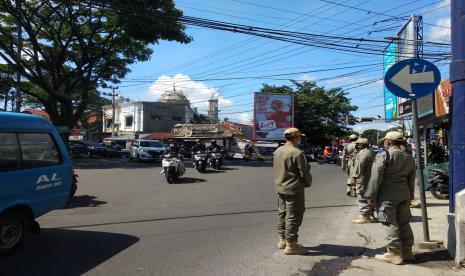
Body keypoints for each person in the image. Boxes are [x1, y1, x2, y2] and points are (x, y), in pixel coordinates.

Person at [364, 131, 416, 265]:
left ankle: (394, 253)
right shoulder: (408, 156)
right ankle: (407, 251)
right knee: (404, 222)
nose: (384, 143)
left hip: (388, 195)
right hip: (404, 193)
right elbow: (411, 178)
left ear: (388, 142)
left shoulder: (384, 154)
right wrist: (410, 196)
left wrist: (370, 195)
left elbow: (376, 177)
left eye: (385, 141)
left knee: (389, 222)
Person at [273, 127, 312, 255]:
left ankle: (282, 240)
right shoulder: (297, 153)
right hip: (293, 190)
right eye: (300, 136)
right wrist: (307, 183)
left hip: (280, 188)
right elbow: (304, 172)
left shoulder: (278, 151)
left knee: (282, 214)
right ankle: (291, 245)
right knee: (293, 216)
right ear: (297, 137)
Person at [351, 138, 375, 224]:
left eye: (357, 144)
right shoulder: (371, 152)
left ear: (360, 145)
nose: (355, 145)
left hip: (363, 178)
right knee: (369, 196)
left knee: (362, 196)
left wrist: (354, 177)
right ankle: (370, 215)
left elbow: (360, 166)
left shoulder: (363, 153)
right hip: (370, 178)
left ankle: (365, 216)